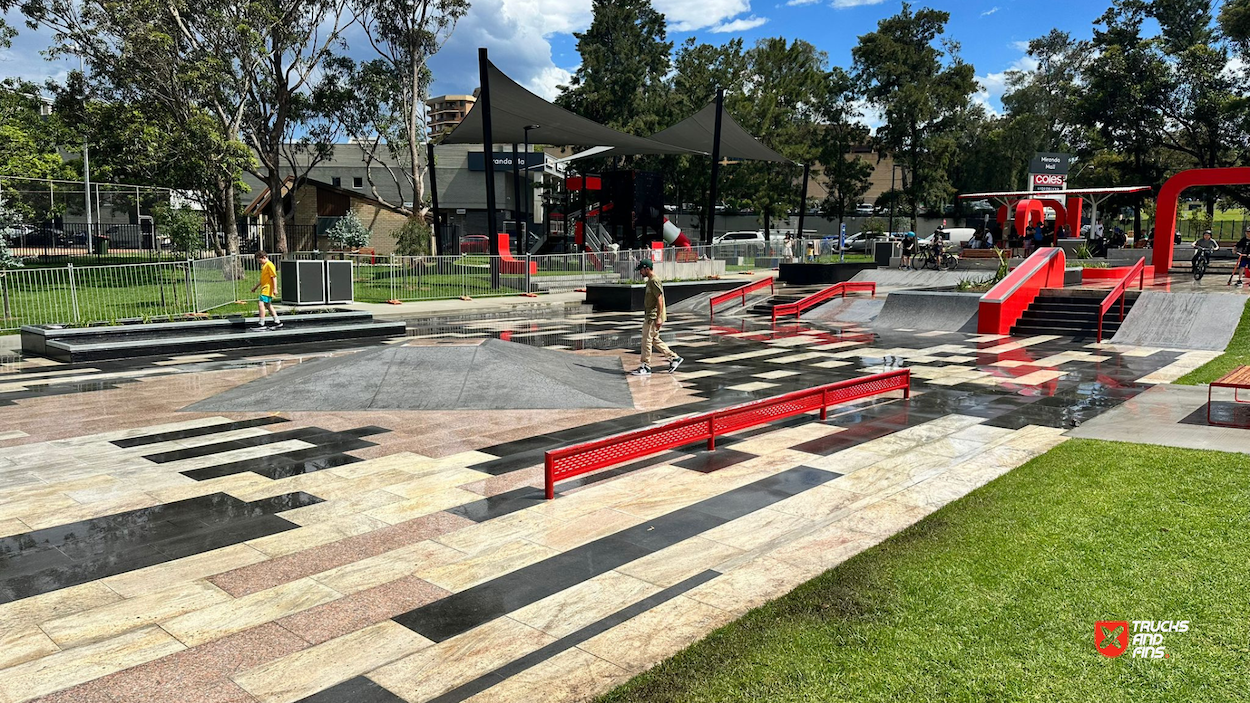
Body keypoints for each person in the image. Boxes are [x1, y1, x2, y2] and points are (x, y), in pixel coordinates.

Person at [630, 259, 682, 376]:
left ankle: (645, 366)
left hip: (652, 317)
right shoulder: (650, 281)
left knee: (646, 340)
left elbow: (659, 299)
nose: (640, 272)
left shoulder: (654, 281)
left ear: (647, 269)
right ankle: (674, 358)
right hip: (651, 315)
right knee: (654, 339)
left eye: (641, 270)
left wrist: (658, 317)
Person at [250, 251, 282, 331]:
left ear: (264, 257)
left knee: (261, 304)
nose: (259, 262)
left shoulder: (269, 265)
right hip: (265, 288)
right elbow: (262, 279)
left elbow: (274, 277)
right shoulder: (264, 266)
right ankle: (277, 321)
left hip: (268, 288)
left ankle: (261, 323)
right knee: (268, 305)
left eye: (260, 260)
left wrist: (275, 288)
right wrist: (255, 287)